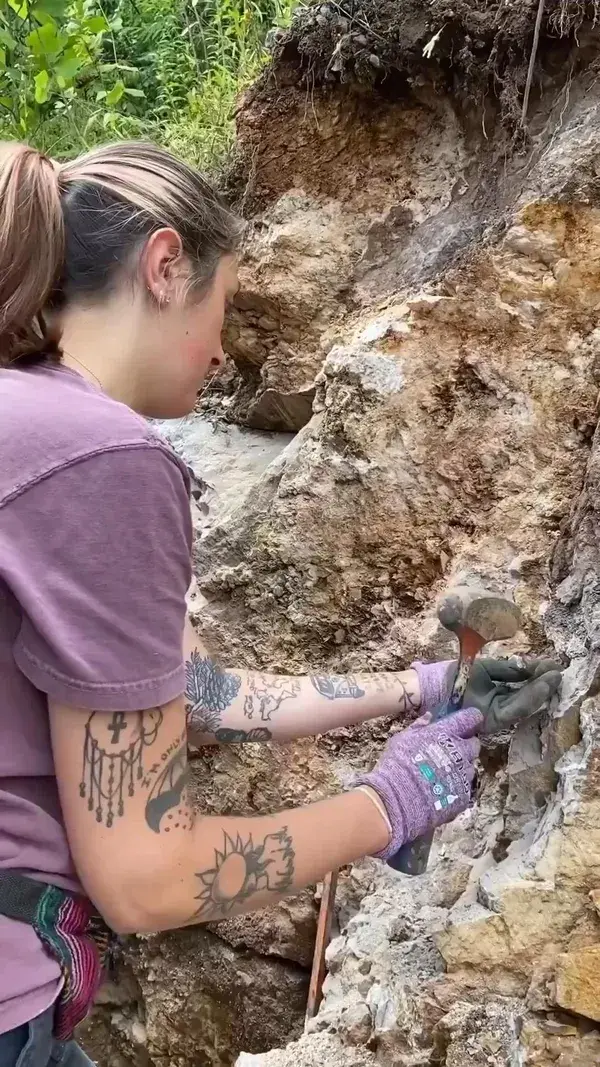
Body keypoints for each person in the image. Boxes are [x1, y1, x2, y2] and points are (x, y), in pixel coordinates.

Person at [0, 140, 562, 1067]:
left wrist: (420, 687)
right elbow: (147, 878)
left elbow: (194, 697)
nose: (224, 349)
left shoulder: (27, 422)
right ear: (165, 264)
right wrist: (395, 801)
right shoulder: (100, 459)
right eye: (224, 306)